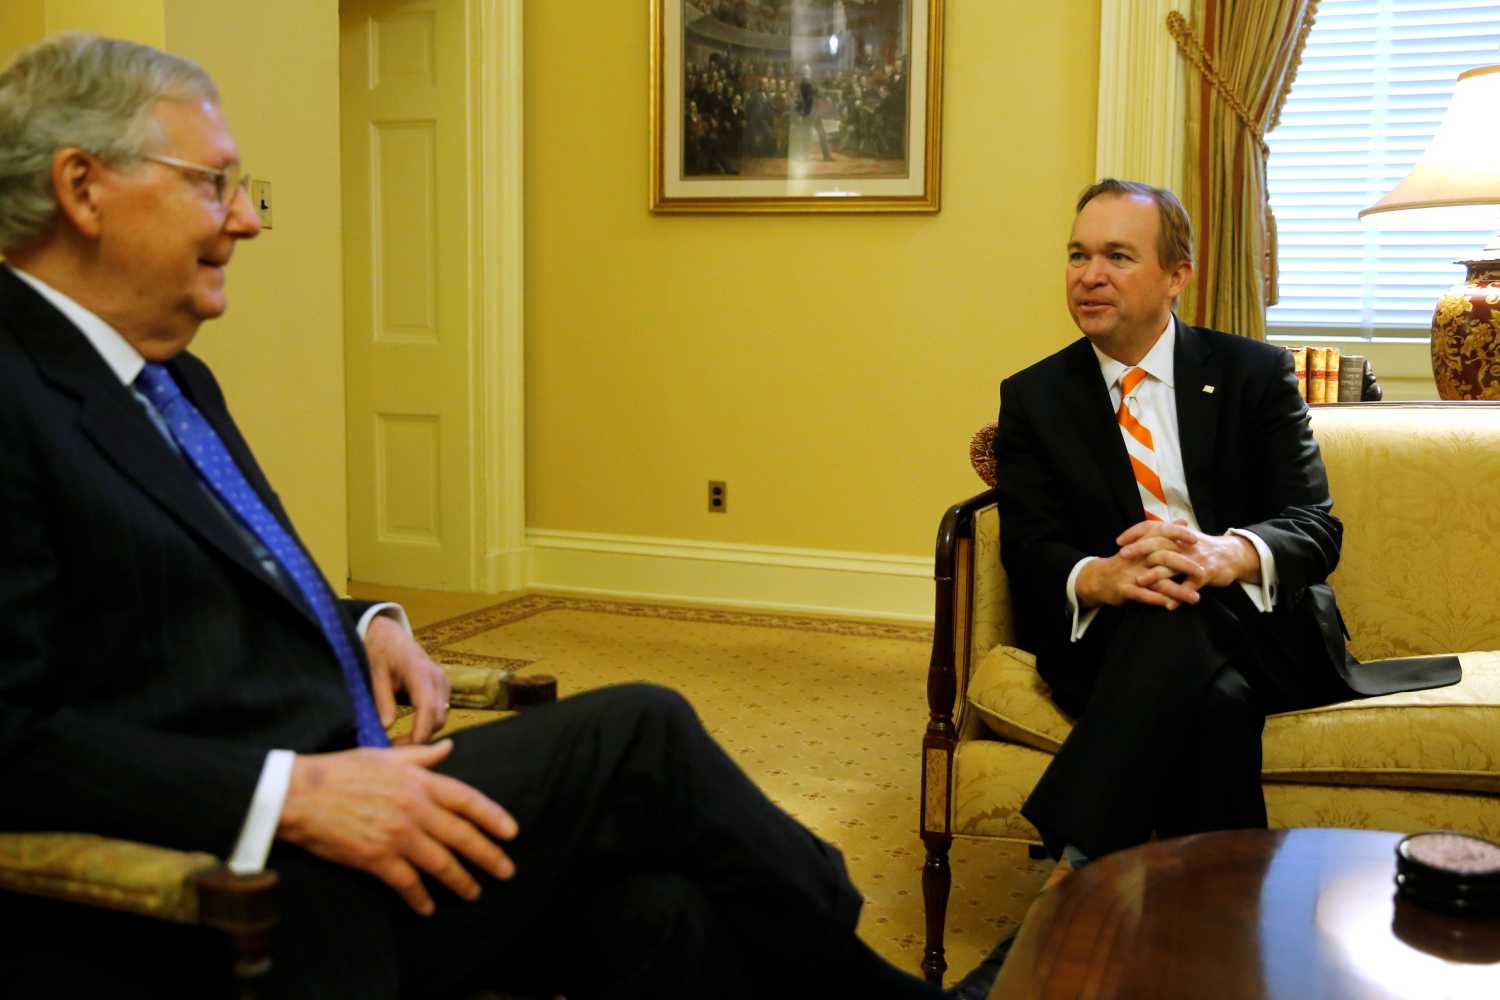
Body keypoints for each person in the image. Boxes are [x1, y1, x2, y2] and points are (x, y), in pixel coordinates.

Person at [0, 33, 943, 1000]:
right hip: (237, 883)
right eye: (214, 184)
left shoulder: (168, 378)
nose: (248, 219)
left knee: (660, 913)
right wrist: (290, 794)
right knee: (640, 734)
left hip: (354, 794)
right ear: (82, 188)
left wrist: (365, 620)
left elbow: (215, 576)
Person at [993, 179, 1460, 867]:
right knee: (1219, 700)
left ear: (1176, 275)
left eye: (1118, 256)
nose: (1090, 276)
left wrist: (1227, 556)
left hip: (1263, 625)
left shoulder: (1254, 373)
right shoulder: (1033, 396)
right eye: (1077, 255)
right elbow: (1030, 549)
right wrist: (1101, 576)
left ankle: (1074, 869)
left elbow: (1313, 526)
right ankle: (1226, 933)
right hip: (1121, 636)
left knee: (1186, 604)